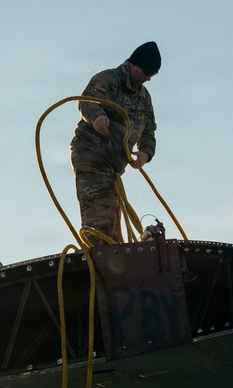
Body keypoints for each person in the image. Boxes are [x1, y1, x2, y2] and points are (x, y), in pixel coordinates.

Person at [70, 41, 160, 243]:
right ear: (134, 65)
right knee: (100, 226)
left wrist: (145, 153)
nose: (148, 79)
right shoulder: (108, 80)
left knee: (112, 232)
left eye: (151, 76)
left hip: (113, 168)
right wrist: (97, 117)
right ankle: (98, 269)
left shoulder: (144, 98)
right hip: (92, 158)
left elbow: (149, 129)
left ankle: (114, 268)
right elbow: (87, 101)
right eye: (146, 73)